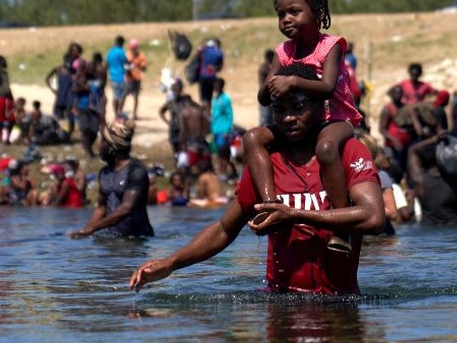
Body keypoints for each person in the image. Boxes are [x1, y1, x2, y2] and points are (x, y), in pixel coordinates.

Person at [130, 63, 385, 294]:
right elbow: (224, 229)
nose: (288, 118)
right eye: (279, 110)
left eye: (298, 108)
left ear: (320, 108)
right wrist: (171, 263)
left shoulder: (347, 152)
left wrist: (295, 215)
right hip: (281, 302)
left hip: (339, 304)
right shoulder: (265, 163)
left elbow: (373, 217)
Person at [245, 0, 363, 255]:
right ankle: (270, 206)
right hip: (299, 121)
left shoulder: (330, 46)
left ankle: (341, 226)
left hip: (335, 119)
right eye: (280, 14)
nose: (286, 19)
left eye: (294, 12)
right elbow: (264, 97)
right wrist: (272, 82)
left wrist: (293, 81)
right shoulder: (283, 52)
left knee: (325, 148)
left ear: (318, 13)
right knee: (253, 138)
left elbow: (327, 87)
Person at [70, 118, 153, 238]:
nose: (99, 147)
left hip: (137, 239)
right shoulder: (104, 172)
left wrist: (93, 228)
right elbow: (100, 208)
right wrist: (85, 232)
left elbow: (126, 208)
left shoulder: (136, 171)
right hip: (113, 237)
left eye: (102, 142)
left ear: (112, 146)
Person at [210, 77, 234, 180]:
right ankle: (221, 171)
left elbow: (230, 115)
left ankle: (226, 171)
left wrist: (227, 130)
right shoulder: (215, 98)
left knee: (223, 152)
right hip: (215, 129)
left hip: (223, 129)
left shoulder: (225, 99)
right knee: (217, 153)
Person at [0, 55, 15, 144]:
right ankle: (1, 137)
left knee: (11, 119)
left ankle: (6, 138)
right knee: (1, 119)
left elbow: (8, 86)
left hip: (6, 98)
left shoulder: (4, 73)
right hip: (0, 98)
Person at [197, 38, 223, 110]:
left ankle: (204, 113)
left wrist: (206, 45)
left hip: (203, 76)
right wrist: (214, 68)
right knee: (209, 96)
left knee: (203, 97)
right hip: (212, 77)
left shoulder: (205, 50)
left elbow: (199, 51)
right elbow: (220, 67)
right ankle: (208, 112)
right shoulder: (220, 53)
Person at [106, 35, 128, 117]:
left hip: (112, 77)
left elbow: (107, 64)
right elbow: (126, 62)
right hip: (121, 77)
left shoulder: (110, 52)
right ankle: (119, 111)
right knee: (123, 95)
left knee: (115, 95)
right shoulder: (121, 51)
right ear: (122, 43)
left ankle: (115, 113)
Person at [125, 39, 147, 120]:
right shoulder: (127, 55)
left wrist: (137, 66)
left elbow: (144, 68)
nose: (133, 49)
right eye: (132, 48)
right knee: (123, 96)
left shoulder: (141, 56)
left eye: (134, 48)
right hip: (128, 79)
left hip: (136, 78)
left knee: (135, 96)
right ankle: (120, 112)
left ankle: (134, 113)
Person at [258, 49, 276, 126]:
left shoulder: (273, 66)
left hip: (273, 93)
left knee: (273, 115)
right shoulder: (264, 68)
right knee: (265, 116)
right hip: (266, 93)